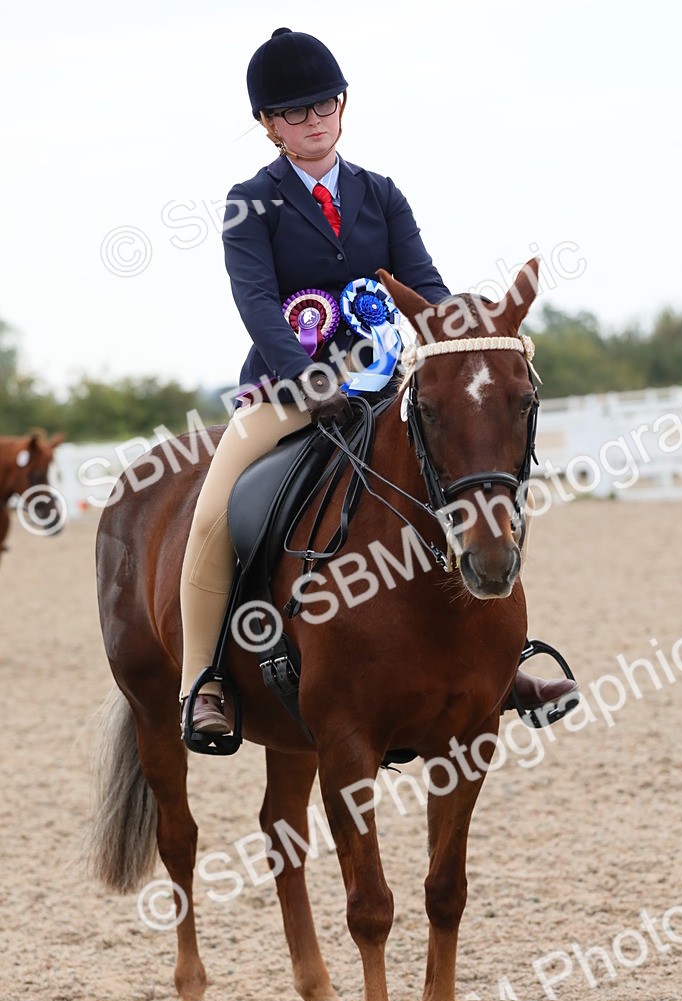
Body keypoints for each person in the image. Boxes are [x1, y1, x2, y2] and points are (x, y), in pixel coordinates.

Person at [179, 27, 578, 739]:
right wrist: (305, 381)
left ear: (342, 105)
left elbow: (423, 284)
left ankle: (501, 664)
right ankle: (204, 681)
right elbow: (259, 305)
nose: (315, 121)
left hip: (386, 386)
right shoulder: (250, 205)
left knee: (468, 483)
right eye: (295, 113)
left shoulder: (380, 193)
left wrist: (465, 342)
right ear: (268, 126)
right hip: (286, 395)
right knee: (212, 517)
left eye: (325, 104)